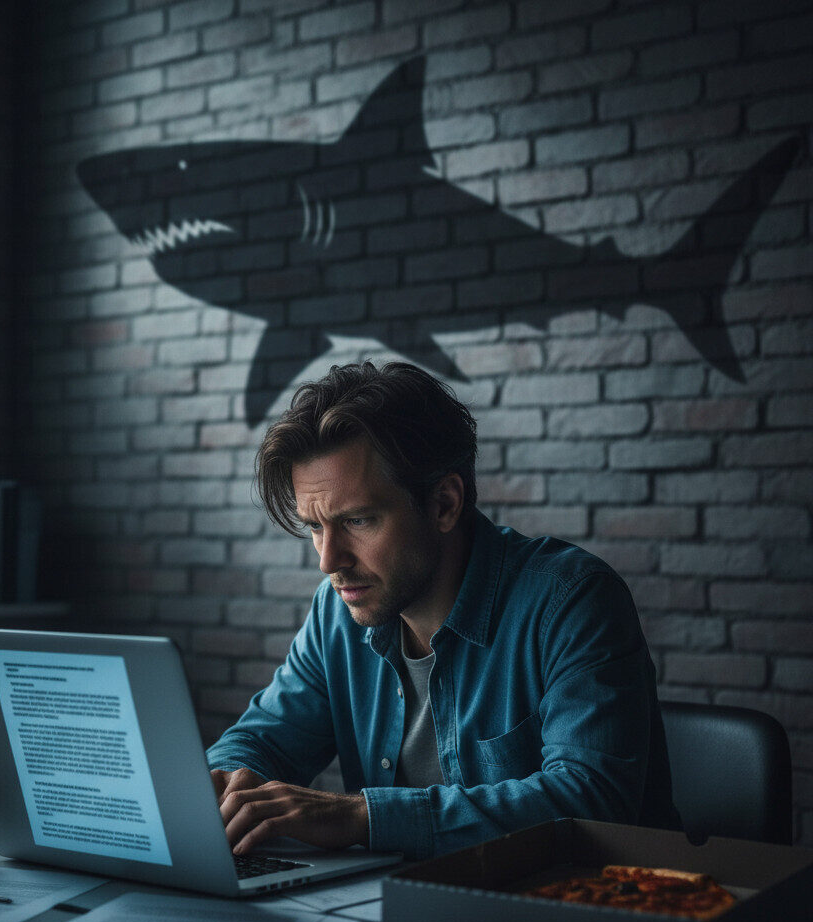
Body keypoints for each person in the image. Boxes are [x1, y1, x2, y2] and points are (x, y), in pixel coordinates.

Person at [207, 361, 678, 860]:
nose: (330, 561)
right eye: (316, 528)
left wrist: (357, 817)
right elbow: (262, 742)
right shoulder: (338, 610)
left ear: (445, 504)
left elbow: (590, 801)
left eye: (359, 520)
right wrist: (226, 786)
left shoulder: (571, 601)